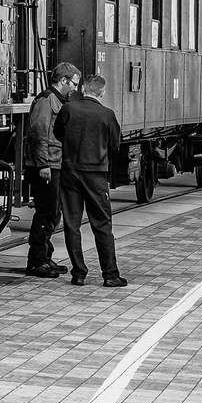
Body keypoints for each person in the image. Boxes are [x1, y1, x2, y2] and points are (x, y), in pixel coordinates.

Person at [54, 74, 127, 287]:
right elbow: (115, 144)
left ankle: (78, 273)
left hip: (70, 172)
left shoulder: (68, 109)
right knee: (102, 224)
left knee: (72, 224)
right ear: (102, 92)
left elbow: (58, 133)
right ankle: (110, 275)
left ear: (83, 89)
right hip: (95, 175)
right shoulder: (107, 114)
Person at [24, 63, 78, 278]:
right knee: (46, 212)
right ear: (63, 80)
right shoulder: (46, 100)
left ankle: (45, 257)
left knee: (53, 212)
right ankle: (36, 261)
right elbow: (38, 132)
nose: (75, 88)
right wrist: (43, 164)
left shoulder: (58, 100)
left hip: (55, 163)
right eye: (73, 83)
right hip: (46, 166)